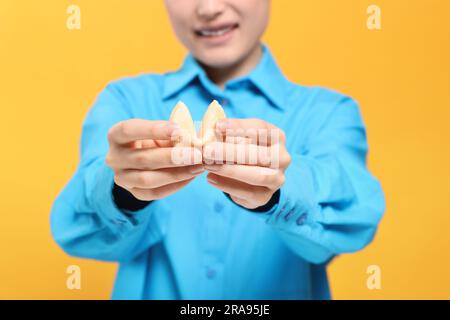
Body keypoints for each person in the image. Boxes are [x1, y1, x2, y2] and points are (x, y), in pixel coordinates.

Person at [50, 0, 385, 299]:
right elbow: (77, 228)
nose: (208, 8)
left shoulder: (328, 112)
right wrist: (123, 192)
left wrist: (278, 190)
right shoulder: (125, 100)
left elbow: (356, 218)